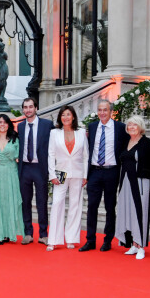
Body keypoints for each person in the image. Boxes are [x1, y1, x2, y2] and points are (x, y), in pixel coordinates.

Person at [80, 99, 129, 252]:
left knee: (110, 207)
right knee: (91, 207)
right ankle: (90, 240)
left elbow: (131, 143)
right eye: (100, 110)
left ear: (111, 111)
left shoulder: (120, 128)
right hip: (94, 172)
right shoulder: (92, 127)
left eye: (105, 110)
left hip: (111, 172)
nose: (102, 113)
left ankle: (107, 240)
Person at [46, 105, 88, 251]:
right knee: (57, 203)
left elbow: (85, 156)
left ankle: (71, 238)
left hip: (77, 172)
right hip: (60, 173)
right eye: (63, 115)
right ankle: (53, 240)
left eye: (68, 114)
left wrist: (85, 175)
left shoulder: (81, 133)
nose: (65, 117)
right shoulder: (54, 133)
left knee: (75, 205)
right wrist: (52, 175)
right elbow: (51, 155)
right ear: (60, 118)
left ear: (73, 117)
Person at [114, 116, 150, 260]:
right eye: (129, 125)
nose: (131, 127)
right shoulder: (126, 141)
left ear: (140, 127)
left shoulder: (146, 143)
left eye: (134, 125)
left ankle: (141, 245)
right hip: (125, 182)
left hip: (140, 182)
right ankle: (132, 243)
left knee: (140, 212)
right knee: (128, 212)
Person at [17, 97, 55, 245]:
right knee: (25, 202)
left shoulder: (47, 125)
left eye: (30, 107)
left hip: (40, 168)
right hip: (25, 168)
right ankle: (28, 233)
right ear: (23, 110)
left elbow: (55, 144)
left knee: (41, 202)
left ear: (36, 108)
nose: (28, 110)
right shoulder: (20, 127)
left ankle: (43, 234)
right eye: (25, 107)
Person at [0, 114, 24, 244]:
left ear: (9, 124)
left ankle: (8, 232)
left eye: (5, 122)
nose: (2, 124)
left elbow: (20, 156)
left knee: (10, 201)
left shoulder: (15, 138)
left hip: (11, 172)